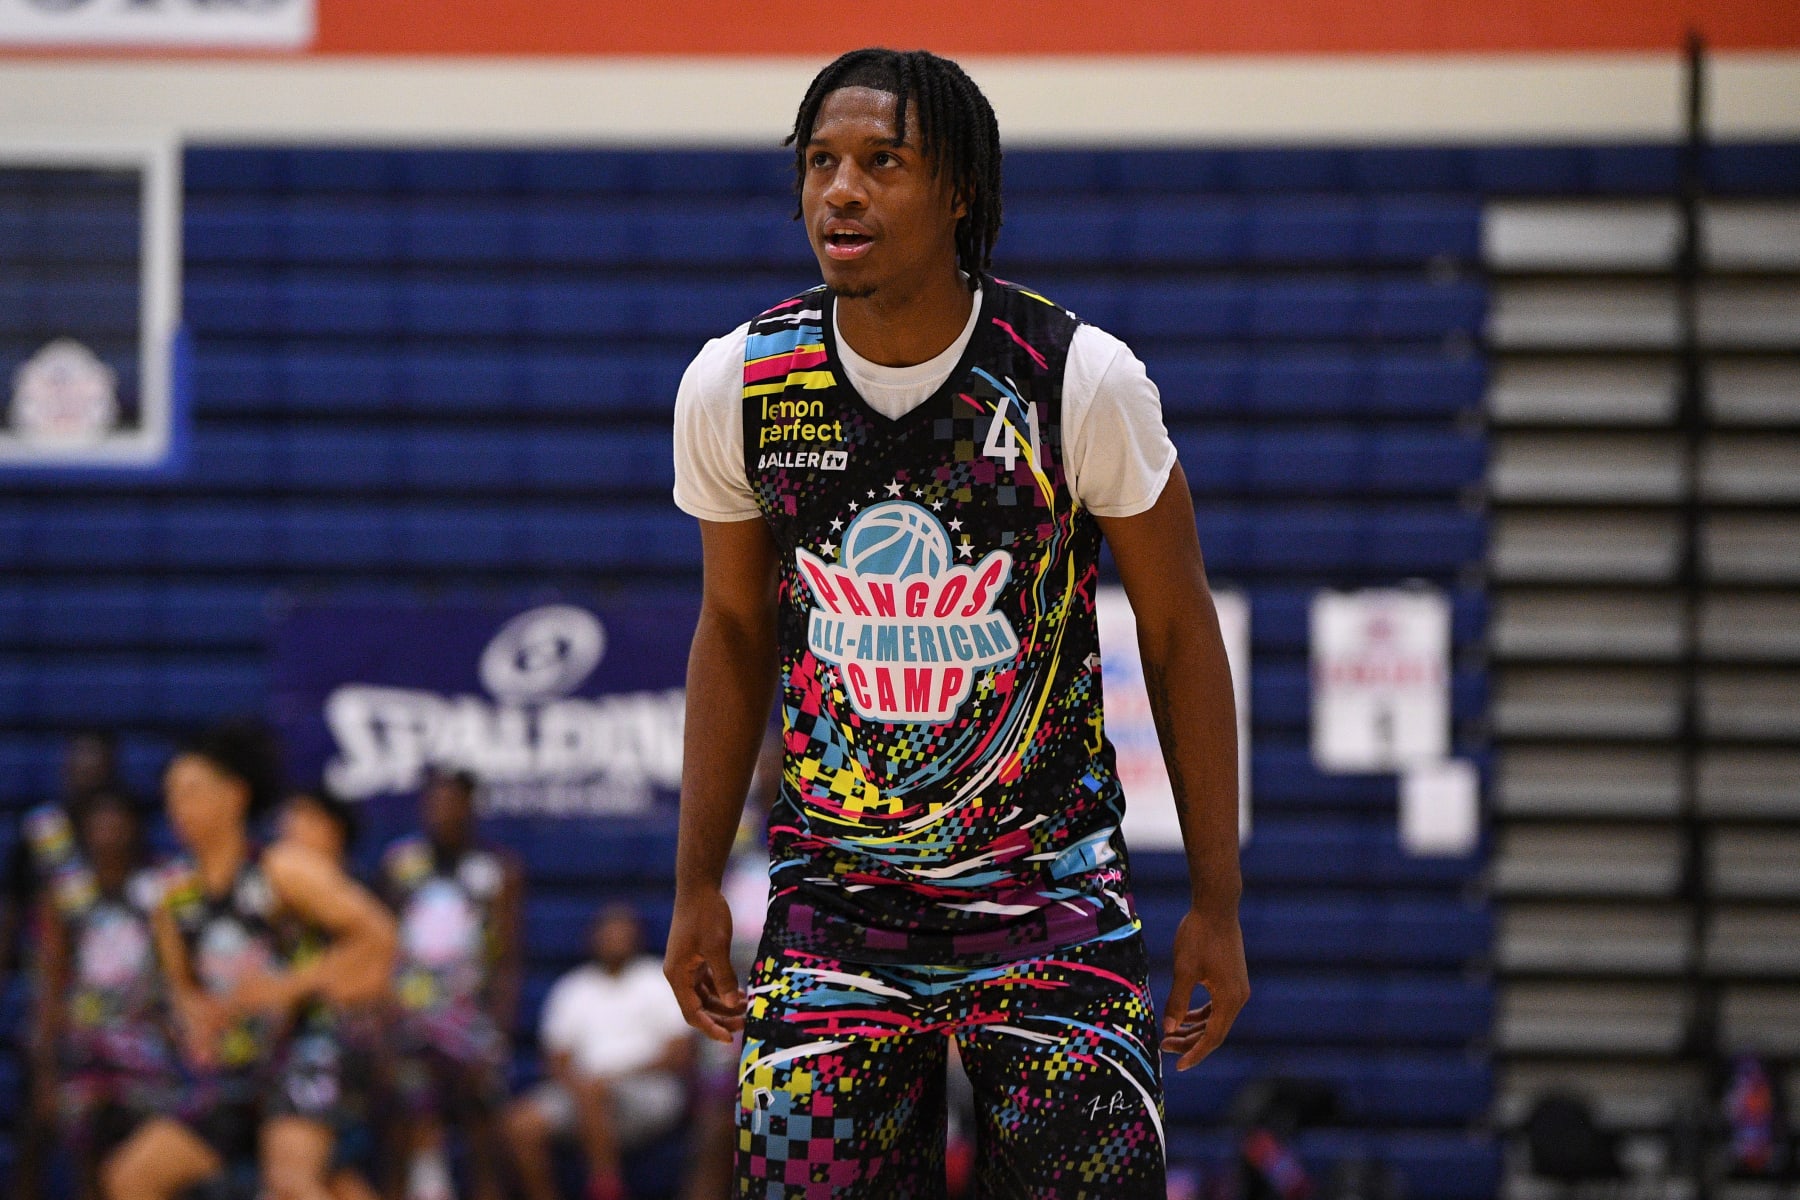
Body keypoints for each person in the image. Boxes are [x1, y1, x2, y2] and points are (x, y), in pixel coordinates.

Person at [665, 47, 1249, 1196]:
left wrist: (1219, 904)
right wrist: (693, 885)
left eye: (884, 161)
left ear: (959, 192)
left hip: (1052, 906)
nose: (841, 190)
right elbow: (733, 632)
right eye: (821, 162)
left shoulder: (1076, 378)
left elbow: (1181, 634)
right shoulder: (738, 385)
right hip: (833, 912)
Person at [101, 721, 398, 1200]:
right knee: (130, 1178)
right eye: (172, 793)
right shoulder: (172, 898)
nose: (179, 806)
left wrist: (283, 988)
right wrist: (198, 1022)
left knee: (291, 1180)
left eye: (193, 790)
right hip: (237, 1070)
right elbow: (186, 998)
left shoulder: (283, 869)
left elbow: (379, 935)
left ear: (235, 795)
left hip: (309, 1052)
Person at [379, 768, 523, 1200]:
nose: (441, 812)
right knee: (404, 1124)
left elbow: (509, 956)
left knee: (484, 1130)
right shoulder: (400, 864)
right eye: (433, 802)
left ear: (470, 807)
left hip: (471, 1018)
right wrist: (386, 1018)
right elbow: (382, 945)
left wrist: (498, 1028)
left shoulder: (497, 870)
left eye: (451, 802)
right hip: (410, 1015)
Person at [31, 789, 177, 1200]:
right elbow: (51, 979)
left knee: (143, 1168)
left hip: (144, 1051)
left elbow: (178, 970)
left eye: (117, 819)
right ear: (84, 830)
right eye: (98, 821)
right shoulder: (66, 894)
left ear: (134, 827)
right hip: (85, 1051)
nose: (108, 830)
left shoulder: (155, 889)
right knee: (88, 1172)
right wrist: (45, 1068)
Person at [4, 731, 122, 1200]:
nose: (85, 775)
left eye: (95, 766)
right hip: (48, 997)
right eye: (77, 765)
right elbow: (12, 912)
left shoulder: (118, 831)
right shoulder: (43, 834)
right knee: (37, 1123)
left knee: (92, 1141)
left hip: (106, 1005)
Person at [505, 906, 694, 1200]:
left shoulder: (658, 978)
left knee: (594, 1091)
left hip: (649, 1090)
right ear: (593, 937)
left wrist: (616, 1077)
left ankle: (606, 1188)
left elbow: (678, 1053)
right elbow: (556, 1058)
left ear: (637, 936)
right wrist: (584, 1085)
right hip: (583, 1091)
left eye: (622, 931)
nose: (615, 939)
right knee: (521, 1123)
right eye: (608, 931)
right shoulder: (573, 987)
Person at [276, 787, 389, 1200]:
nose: (288, 828)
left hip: (327, 1049)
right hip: (314, 1049)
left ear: (333, 831)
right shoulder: (297, 889)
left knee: (291, 1181)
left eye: (303, 818)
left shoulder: (341, 894)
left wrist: (288, 990)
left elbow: (377, 970)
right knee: (335, 1178)